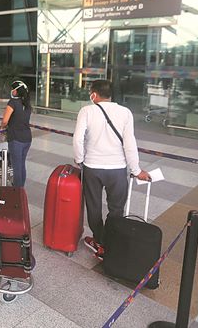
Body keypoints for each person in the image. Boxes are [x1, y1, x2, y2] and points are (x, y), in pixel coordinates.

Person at [73, 79, 151, 261]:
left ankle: (100, 240)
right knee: (116, 208)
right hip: (117, 170)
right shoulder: (125, 112)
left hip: (92, 168)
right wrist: (136, 169)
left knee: (93, 206)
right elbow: (130, 144)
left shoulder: (86, 111)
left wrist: (79, 159)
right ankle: (112, 240)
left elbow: (77, 139)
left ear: (94, 94)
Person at [0, 80, 32, 187]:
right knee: (21, 164)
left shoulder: (12, 103)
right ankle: (21, 188)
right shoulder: (27, 104)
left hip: (16, 138)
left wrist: (1, 128)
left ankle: (17, 192)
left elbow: (5, 121)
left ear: (17, 91)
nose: (12, 91)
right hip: (27, 138)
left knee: (16, 166)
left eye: (13, 89)